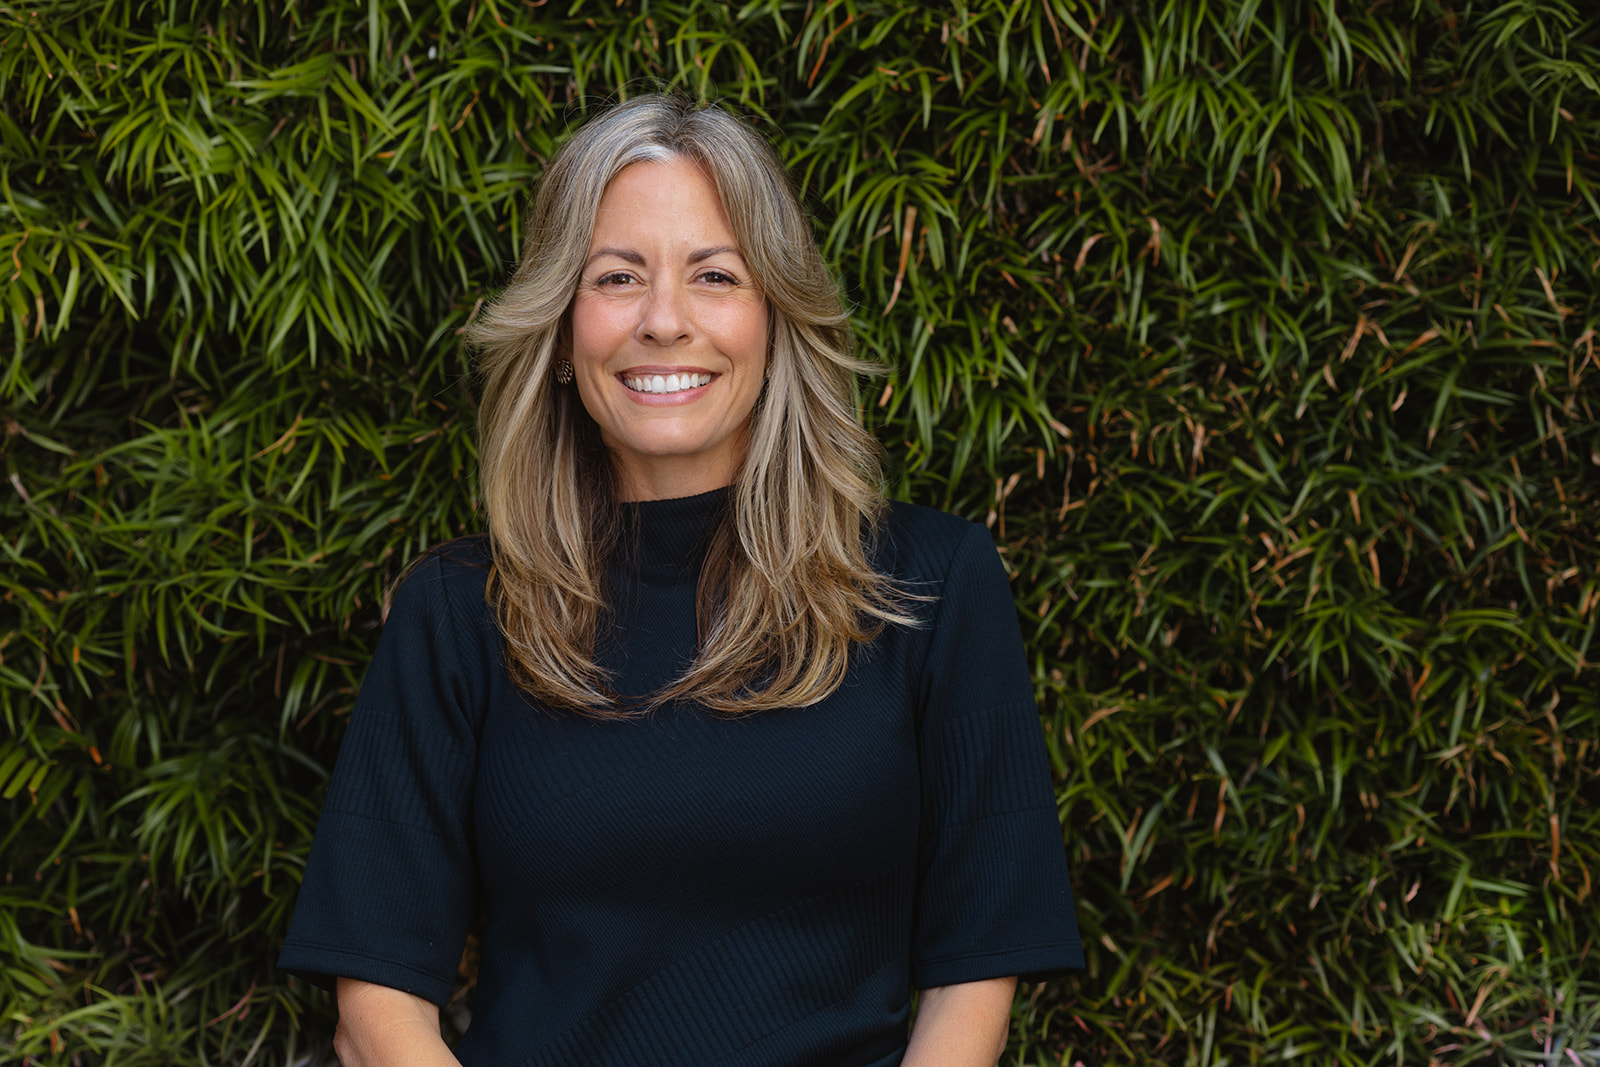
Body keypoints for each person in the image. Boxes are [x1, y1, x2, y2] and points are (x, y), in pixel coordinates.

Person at [277, 93, 1082, 1067]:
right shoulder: (458, 609)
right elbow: (376, 1010)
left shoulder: (928, 586)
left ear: (776, 316)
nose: (664, 321)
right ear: (564, 331)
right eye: (617, 276)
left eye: (714, 275)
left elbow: (972, 982)